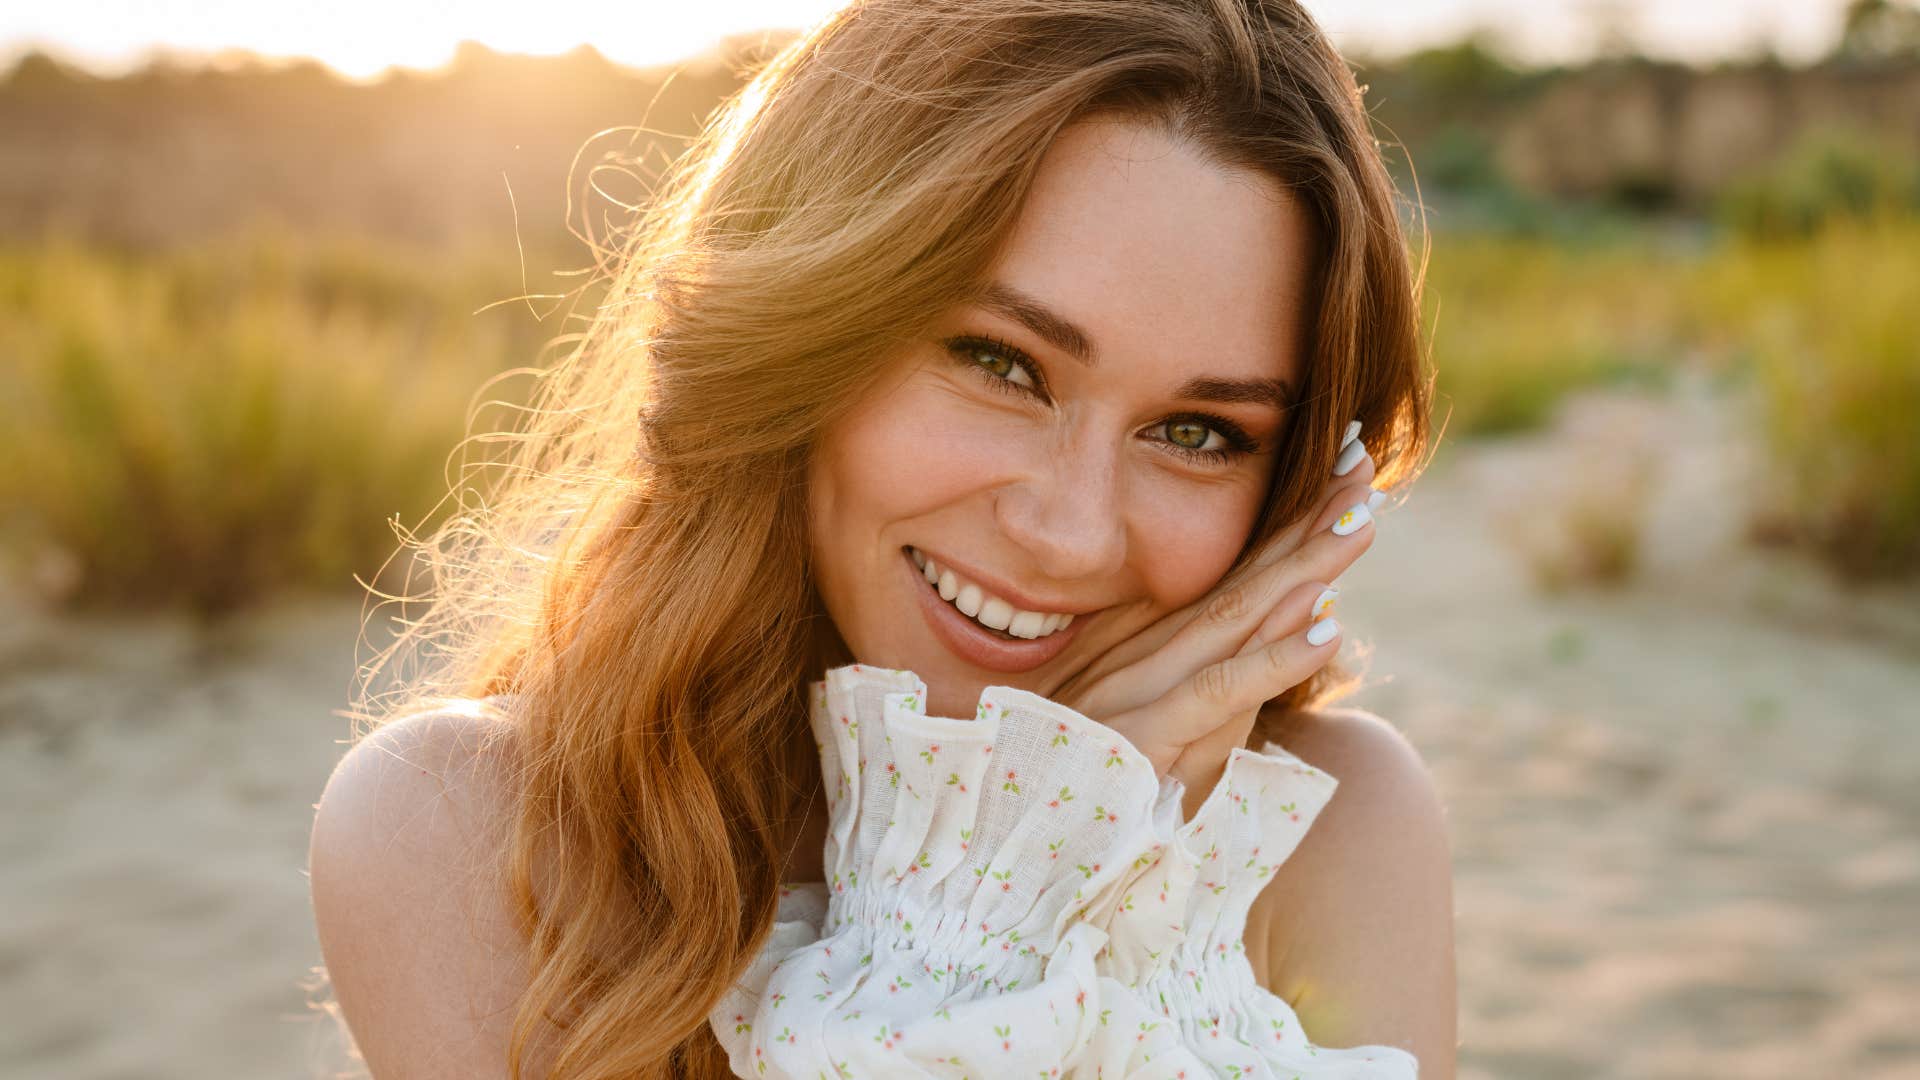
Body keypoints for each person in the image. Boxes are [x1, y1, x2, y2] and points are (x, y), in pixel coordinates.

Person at [307, 1, 1455, 1077]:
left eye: (1200, 432)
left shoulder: (1326, 829)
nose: (1066, 533)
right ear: (808, 328)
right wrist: (992, 905)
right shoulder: (475, 833)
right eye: (1001, 364)